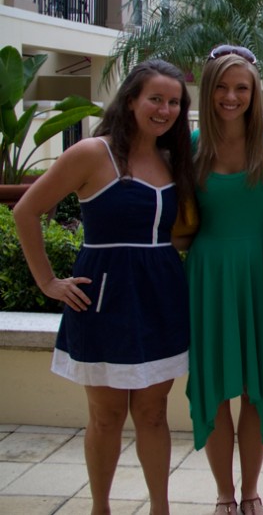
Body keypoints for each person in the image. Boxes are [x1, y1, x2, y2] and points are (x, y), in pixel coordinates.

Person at [13, 59, 195, 515]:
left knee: (153, 414)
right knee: (107, 415)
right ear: (131, 100)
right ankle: (100, 508)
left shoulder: (174, 160)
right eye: (155, 98)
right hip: (104, 298)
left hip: (162, 298)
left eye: (174, 102)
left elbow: (175, 232)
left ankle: (160, 507)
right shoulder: (92, 153)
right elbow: (25, 211)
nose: (165, 109)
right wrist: (48, 282)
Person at [184, 46, 263, 515]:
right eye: (222, 87)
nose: (231, 96)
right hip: (207, 276)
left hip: (262, 274)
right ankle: (224, 494)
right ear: (208, 91)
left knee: (254, 389)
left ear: (255, 92)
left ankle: (251, 492)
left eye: (241, 88)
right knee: (216, 389)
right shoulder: (188, 147)